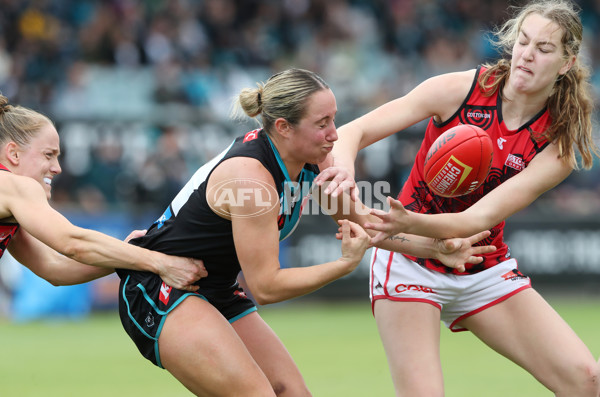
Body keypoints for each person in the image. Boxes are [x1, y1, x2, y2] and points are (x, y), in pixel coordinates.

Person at [116, 68, 497, 397]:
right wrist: (342, 266)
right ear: (282, 127)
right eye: (322, 124)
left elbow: (363, 222)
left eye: (334, 119)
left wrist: (434, 248)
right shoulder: (252, 181)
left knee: (293, 393)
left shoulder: (315, 160)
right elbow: (266, 286)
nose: (335, 134)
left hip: (213, 288)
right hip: (162, 290)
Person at [316, 1, 600, 396]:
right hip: (409, 261)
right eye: (524, 42)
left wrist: (404, 221)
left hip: (481, 263)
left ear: (567, 63)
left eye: (544, 49)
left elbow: (474, 220)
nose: (528, 55)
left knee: (588, 380)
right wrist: (343, 170)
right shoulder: (460, 89)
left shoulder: (559, 144)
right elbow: (354, 132)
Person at [0, 94, 207, 290]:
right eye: (48, 155)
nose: (57, 168)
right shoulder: (16, 186)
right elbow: (73, 242)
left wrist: (129, 252)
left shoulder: (12, 200)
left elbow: (55, 267)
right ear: (13, 153)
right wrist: (161, 263)